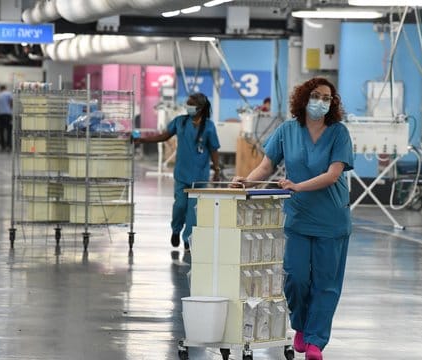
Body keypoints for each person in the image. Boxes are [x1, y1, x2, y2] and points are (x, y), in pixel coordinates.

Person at [232, 78, 353, 360]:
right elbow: (266, 166)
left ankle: (315, 342)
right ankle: (300, 324)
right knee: (295, 279)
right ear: (303, 98)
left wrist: (298, 186)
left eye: (327, 97)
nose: (321, 101)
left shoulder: (339, 133)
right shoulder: (287, 131)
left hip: (332, 221)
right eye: (315, 95)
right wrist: (246, 183)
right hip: (299, 219)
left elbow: (334, 174)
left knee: (326, 284)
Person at [135, 93, 221, 250]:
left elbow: (214, 149)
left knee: (193, 211)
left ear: (200, 108)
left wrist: (217, 170)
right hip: (182, 174)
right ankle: (176, 230)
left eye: (191, 104)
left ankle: (188, 240)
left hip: (200, 176)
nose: (187, 107)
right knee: (180, 206)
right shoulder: (180, 122)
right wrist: (142, 139)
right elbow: (163, 136)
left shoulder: (209, 126)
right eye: (187, 103)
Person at [0, 85, 13, 151]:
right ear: (5, 88)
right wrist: (11, 108)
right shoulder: (8, 93)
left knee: (1, 130)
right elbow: (11, 102)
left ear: (0, 89)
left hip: (0, 114)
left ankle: (2, 146)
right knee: (9, 130)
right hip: (8, 114)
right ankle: (9, 145)